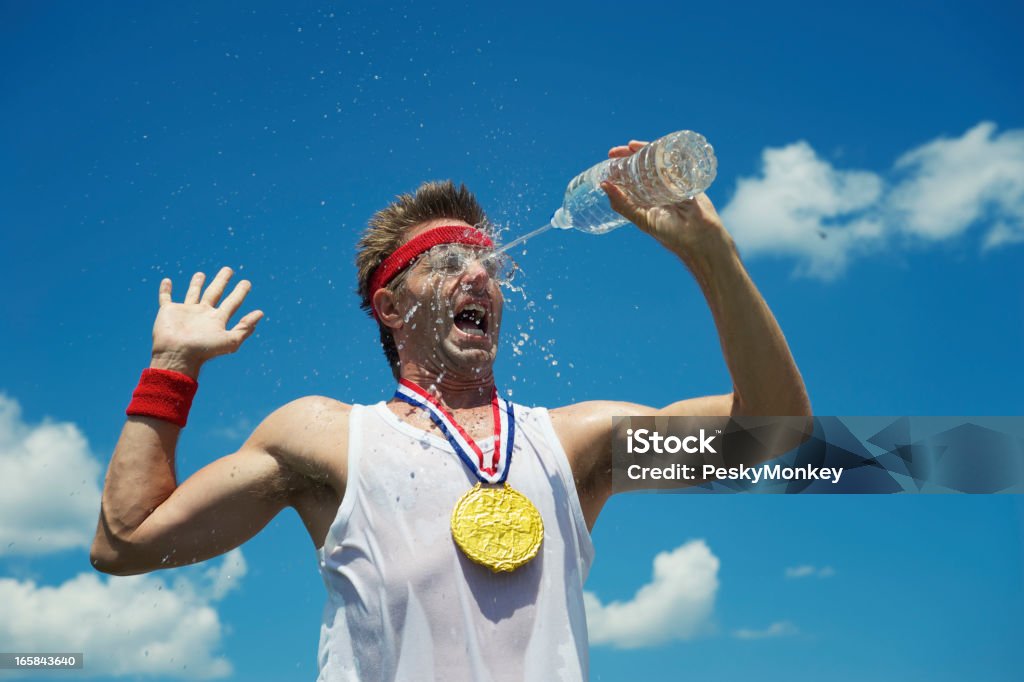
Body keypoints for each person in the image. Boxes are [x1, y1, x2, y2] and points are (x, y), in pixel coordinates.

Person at [91, 139, 811, 681]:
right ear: (391, 307)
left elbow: (774, 429)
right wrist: (172, 367)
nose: (481, 276)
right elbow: (125, 544)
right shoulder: (328, 437)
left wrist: (711, 256)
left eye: (492, 267)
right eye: (448, 264)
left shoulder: (573, 441)